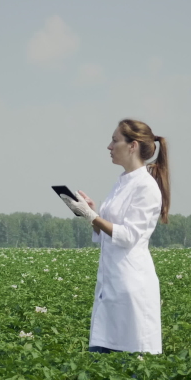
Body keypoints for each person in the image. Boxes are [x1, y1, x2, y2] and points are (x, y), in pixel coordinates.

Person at [60, 118, 170, 354]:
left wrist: (91, 216)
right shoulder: (121, 183)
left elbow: (129, 235)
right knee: (102, 363)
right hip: (111, 282)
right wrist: (91, 213)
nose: (109, 146)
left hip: (131, 285)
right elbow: (107, 232)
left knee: (129, 361)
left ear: (133, 145)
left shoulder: (146, 187)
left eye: (114, 140)